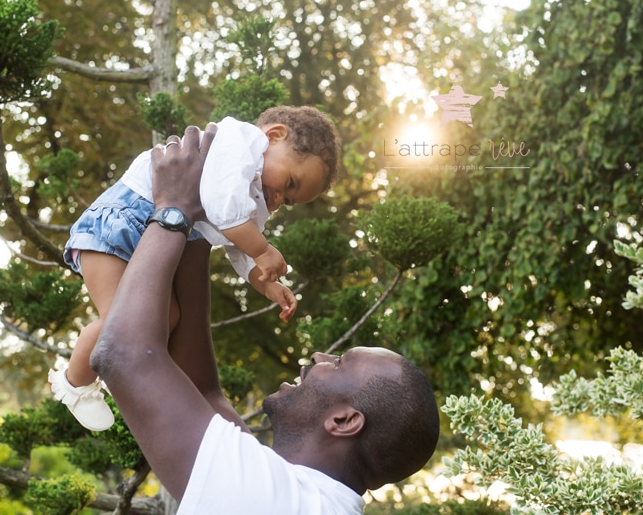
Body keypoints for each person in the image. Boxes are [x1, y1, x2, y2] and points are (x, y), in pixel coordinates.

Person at [90, 124, 441, 514]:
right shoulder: (300, 496)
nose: (320, 356)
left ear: (343, 421)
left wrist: (172, 209)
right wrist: (202, 212)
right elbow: (204, 391)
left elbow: (122, 353)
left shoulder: (280, 500)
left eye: (340, 363)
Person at [50, 106, 341, 431]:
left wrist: (266, 283)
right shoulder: (240, 141)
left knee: (166, 319)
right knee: (120, 319)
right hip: (120, 220)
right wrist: (264, 249)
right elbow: (226, 212)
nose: (280, 197)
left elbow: (239, 246)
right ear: (274, 136)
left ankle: (112, 380)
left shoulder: (255, 195)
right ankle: (74, 382)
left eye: (289, 200)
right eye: (289, 182)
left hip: (150, 239)